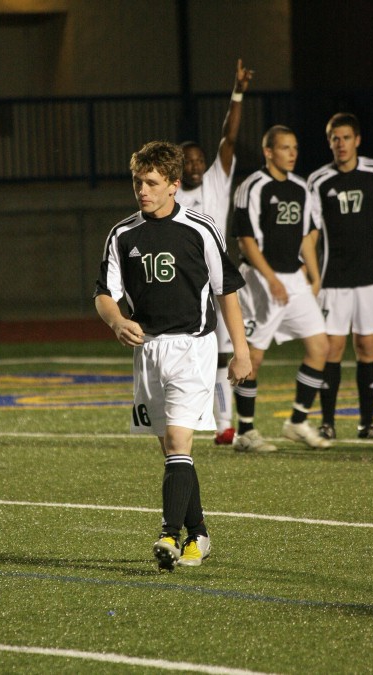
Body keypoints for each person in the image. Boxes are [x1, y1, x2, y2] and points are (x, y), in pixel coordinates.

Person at [94, 140, 251, 572]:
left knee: (180, 443)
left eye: (151, 182)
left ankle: (169, 533)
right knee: (171, 450)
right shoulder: (123, 234)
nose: (142, 190)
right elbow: (104, 293)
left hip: (192, 348)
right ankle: (199, 533)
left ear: (174, 185)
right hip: (148, 352)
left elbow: (227, 291)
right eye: (137, 182)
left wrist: (240, 351)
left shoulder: (200, 229)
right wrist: (115, 321)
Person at [231, 125, 331, 450]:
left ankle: (297, 422)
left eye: (295, 147)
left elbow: (307, 236)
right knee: (253, 358)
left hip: (293, 279)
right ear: (268, 152)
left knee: (321, 348)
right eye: (285, 147)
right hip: (261, 279)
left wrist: (314, 278)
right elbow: (246, 241)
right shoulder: (253, 186)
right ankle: (244, 432)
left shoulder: (302, 187)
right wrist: (271, 280)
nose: (292, 153)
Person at [176, 58, 253, 446]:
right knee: (191, 354)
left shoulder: (216, 181)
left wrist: (237, 92)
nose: (194, 164)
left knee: (228, 353)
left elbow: (229, 137)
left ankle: (227, 424)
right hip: (188, 281)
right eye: (187, 160)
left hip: (220, 276)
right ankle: (189, 416)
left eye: (198, 159)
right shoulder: (169, 195)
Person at [308, 112, 373, 440]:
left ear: (358, 140)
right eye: (334, 139)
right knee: (332, 348)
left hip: (372, 275)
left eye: (346, 138)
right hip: (334, 277)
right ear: (329, 142)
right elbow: (311, 233)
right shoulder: (318, 180)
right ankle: (327, 423)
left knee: (368, 346)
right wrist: (310, 275)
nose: (340, 144)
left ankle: (366, 423)